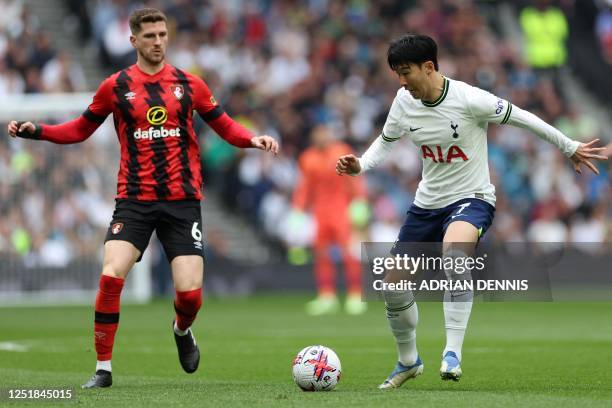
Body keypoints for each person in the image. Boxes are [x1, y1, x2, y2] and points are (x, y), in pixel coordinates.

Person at [7, 8, 278, 389]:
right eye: (149, 36)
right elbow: (79, 130)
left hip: (183, 202)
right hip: (134, 200)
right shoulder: (115, 87)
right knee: (110, 274)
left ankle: (181, 331)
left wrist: (252, 139)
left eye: (162, 34)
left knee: (190, 297)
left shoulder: (190, 84)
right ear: (133, 40)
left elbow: (225, 126)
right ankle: (103, 368)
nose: (157, 42)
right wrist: (39, 132)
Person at [335, 34, 607, 388]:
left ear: (428, 67)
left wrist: (568, 145)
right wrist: (361, 165)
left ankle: (452, 352)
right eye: (397, 74)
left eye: (406, 72)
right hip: (426, 204)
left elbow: (523, 117)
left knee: (454, 255)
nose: (401, 81)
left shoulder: (470, 99)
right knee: (392, 286)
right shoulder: (404, 101)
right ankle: (408, 361)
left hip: (472, 198)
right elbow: (386, 141)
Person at [292, 124, 368, 315]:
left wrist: (359, 201)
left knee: (349, 254)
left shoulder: (342, 151)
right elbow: (304, 187)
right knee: (321, 254)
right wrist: (298, 210)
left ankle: (354, 295)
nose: (321, 137)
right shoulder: (307, 158)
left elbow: (354, 178)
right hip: (320, 212)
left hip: (341, 210)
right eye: (317, 133)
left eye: (324, 132)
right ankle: (327, 296)